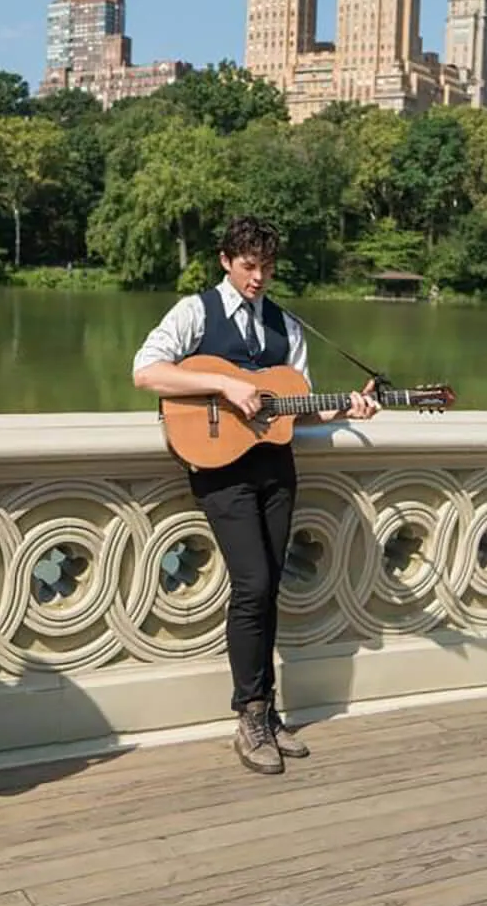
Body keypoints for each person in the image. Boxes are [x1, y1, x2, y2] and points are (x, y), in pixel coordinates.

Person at [131, 216, 379, 775]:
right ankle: (249, 714)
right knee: (254, 584)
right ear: (226, 261)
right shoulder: (195, 311)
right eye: (249, 267)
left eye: (267, 268)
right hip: (220, 469)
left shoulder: (284, 324)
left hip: (275, 466)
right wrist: (224, 383)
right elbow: (146, 373)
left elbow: (298, 402)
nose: (259, 278)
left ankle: (267, 712)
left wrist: (348, 408)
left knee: (269, 591)